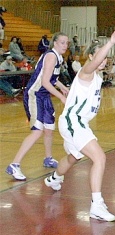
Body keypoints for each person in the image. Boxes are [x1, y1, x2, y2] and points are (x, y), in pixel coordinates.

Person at [44, 26, 115, 222]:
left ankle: (54, 179)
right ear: (90, 57)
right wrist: (111, 43)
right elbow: (96, 61)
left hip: (77, 123)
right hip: (74, 122)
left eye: (105, 58)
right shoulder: (85, 72)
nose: (103, 60)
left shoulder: (97, 78)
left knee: (73, 157)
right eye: (99, 56)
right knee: (99, 158)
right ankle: (96, 206)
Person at [6, 32, 70, 181]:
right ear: (55, 43)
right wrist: (61, 96)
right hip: (35, 95)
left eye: (67, 43)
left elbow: (51, 78)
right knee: (37, 131)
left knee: (49, 129)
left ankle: (48, 158)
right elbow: (45, 82)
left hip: (44, 95)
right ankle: (14, 164)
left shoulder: (57, 57)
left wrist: (62, 87)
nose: (65, 46)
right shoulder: (51, 56)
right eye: (62, 42)